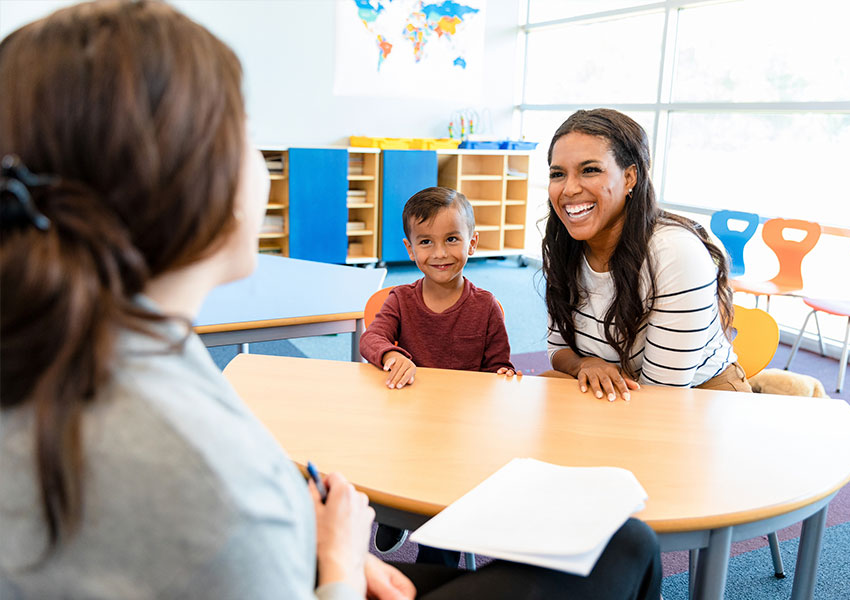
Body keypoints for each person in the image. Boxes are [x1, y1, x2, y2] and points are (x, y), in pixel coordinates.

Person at [0, 4, 661, 599]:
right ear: (192, 181)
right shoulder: (199, 476)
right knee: (627, 546)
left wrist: (325, 556)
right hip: (323, 573)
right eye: (245, 136)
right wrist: (340, 561)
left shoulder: (85, 343)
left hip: (309, 562)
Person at [543, 108, 751, 399]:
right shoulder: (564, 242)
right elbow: (557, 348)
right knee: (545, 386)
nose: (569, 188)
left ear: (630, 177)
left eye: (590, 170)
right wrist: (584, 363)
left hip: (697, 398)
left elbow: (662, 395)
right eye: (558, 174)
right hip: (621, 393)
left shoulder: (675, 254)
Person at [359, 186, 518, 565]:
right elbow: (372, 339)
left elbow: (500, 366)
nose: (440, 253)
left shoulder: (486, 307)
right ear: (410, 249)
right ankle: (394, 512)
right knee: (381, 461)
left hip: (461, 433)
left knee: (442, 523)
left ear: (472, 242)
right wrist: (392, 355)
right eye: (426, 242)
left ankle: (434, 558)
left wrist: (503, 375)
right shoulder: (400, 300)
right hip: (408, 425)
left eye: (452, 239)